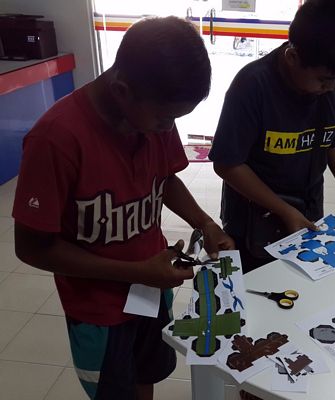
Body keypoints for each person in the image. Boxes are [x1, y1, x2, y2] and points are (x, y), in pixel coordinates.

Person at [12, 17, 234, 400]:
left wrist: (205, 222)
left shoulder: (153, 115)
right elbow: (31, 247)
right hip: (98, 310)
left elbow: (165, 177)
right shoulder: (56, 139)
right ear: (122, 90)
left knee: (146, 374)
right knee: (114, 391)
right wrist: (135, 272)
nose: (168, 128)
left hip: (150, 289)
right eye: (164, 119)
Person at [209, 0, 335, 273]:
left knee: (303, 283)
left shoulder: (330, 85)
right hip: (255, 218)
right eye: (324, 80)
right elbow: (227, 164)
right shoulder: (252, 86)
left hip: (307, 209)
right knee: (259, 285)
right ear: (293, 57)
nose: (330, 87)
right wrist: (283, 210)